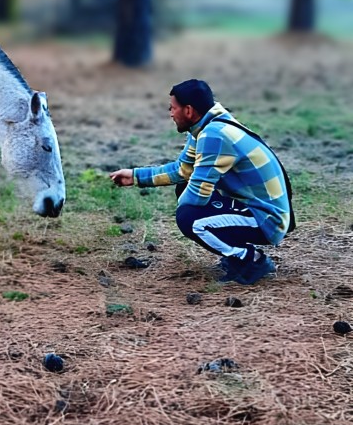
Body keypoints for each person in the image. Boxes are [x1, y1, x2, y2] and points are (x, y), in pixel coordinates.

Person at [109, 79, 294, 285]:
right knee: (186, 194)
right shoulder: (206, 126)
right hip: (256, 208)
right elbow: (182, 170)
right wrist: (135, 176)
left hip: (268, 219)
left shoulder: (213, 135)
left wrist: (183, 215)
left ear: (188, 110)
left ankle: (250, 259)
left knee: (191, 219)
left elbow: (198, 193)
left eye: (173, 108)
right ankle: (236, 253)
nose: (170, 113)